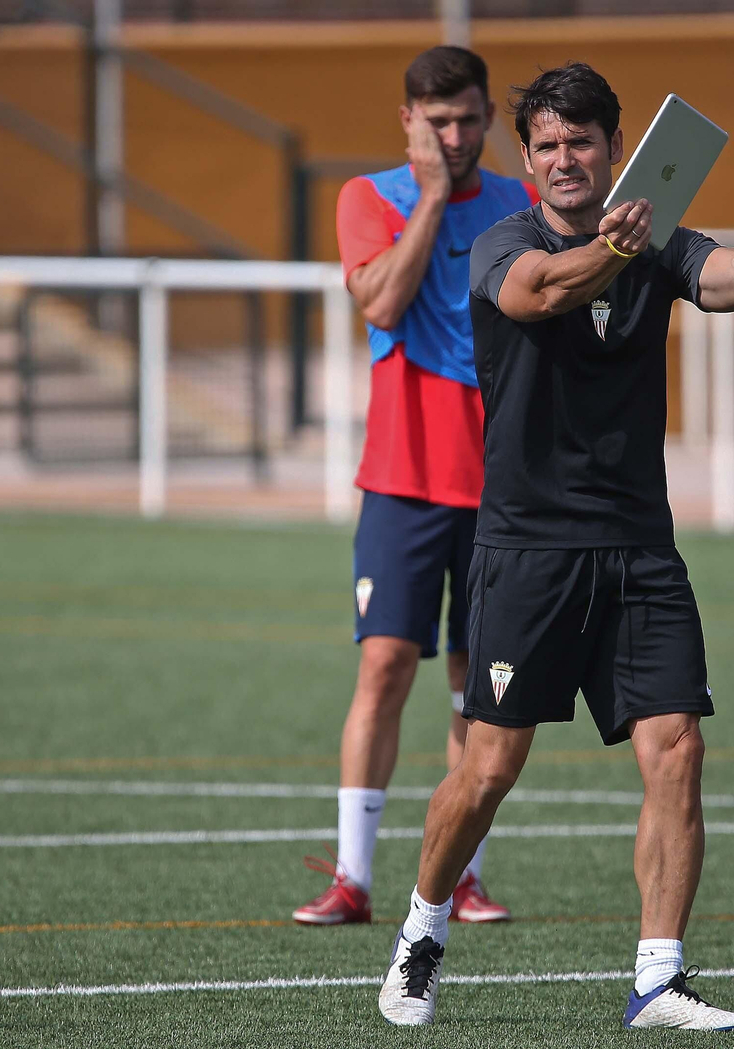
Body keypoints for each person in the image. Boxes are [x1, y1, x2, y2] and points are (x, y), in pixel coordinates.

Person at [376, 61, 734, 1029]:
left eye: (582, 142)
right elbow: (542, 294)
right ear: (526, 162)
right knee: (487, 768)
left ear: (617, 153)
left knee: (676, 747)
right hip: (526, 550)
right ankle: (423, 925)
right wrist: (615, 253)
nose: (565, 159)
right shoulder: (501, 243)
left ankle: (658, 974)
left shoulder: (659, 245)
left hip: (640, 547)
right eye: (547, 146)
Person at [294, 45, 538, 927]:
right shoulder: (369, 198)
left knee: (478, 686)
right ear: (409, 121)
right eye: (439, 121)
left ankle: (463, 874)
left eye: (471, 119)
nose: (458, 135)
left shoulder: (520, 204)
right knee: (387, 665)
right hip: (399, 480)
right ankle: (354, 877)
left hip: (501, 488)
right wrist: (433, 197)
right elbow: (382, 305)